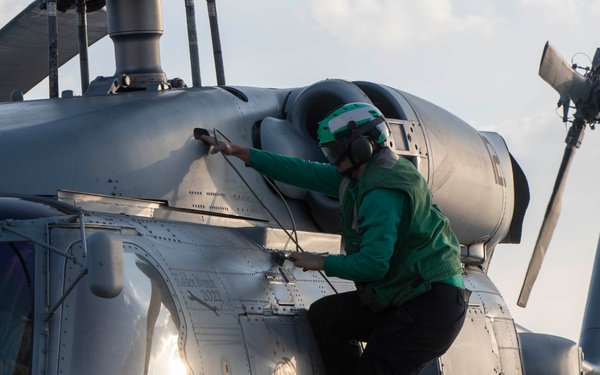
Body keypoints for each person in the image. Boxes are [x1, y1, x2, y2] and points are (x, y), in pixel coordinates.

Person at [200, 102, 468, 375]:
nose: (332, 160)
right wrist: (239, 152)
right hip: (408, 294)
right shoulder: (362, 175)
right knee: (327, 317)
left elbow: (374, 264)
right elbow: (302, 171)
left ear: (361, 147)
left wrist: (320, 262)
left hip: (430, 306)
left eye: (335, 151)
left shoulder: (381, 191)